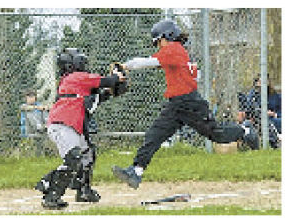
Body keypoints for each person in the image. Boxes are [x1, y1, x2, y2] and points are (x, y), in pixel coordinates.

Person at [111, 20, 259, 189]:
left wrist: (125, 66)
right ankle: (136, 171)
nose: (158, 45)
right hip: (176, 104)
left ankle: (245, 131)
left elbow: (147, 62)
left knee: (216, 134)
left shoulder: (173, 49)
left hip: (190, 103)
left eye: (159, 41)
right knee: (155, 135)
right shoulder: (176, 52)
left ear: (168, 36)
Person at [35, 48, 127, 209]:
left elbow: (92, 99)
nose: (83, 64)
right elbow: (105, 81)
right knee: (73, 159)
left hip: (72, 127)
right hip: (62, 126)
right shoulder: (74, 78)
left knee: (87, 154)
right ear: (71, 65)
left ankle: (84, 191)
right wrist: (116, 78)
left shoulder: (75, 84)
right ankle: (50, 192)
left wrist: (109, 92)